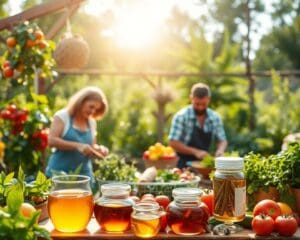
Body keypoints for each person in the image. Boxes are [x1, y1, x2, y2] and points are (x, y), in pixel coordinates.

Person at [46, 86, 109, 181]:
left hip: (84, 176)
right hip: (60, 174)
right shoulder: (62, 116)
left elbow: (91, 146)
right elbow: (51, 141)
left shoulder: (91, 122)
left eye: (96, 109)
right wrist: (77, 146)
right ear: (81, 101)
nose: (92, 111)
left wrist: (99, 149)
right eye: (91, 107)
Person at [168, 83, 227, 168]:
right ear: (191, 98)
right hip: (183, 164)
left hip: (204, 164)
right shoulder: (181, 116)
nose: (200, 107)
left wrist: (220, 151)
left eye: (203, 104)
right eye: (197, 104)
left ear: (209, 99)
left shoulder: (215, 117)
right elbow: (173, 142)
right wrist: (196, 152)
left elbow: (222, 140)